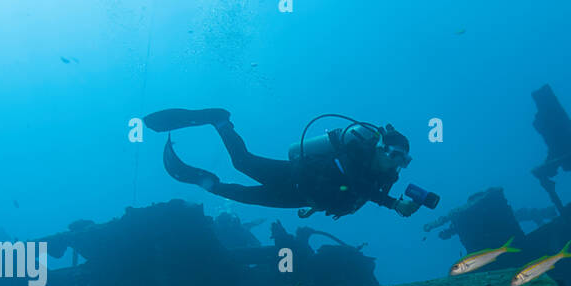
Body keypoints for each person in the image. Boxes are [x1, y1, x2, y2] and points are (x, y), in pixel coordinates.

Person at [143, 108, 421, 219]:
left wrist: (394, 200)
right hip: (292, 176)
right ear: (381, 148)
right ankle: (220, 121)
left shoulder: (385, 180)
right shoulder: (357, 152)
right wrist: (393, 204)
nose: (397, 164)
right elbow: (353, 182)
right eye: (395, 155)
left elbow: (356, 195)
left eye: (404, 160)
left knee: (235, 193)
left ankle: (196, 177)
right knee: (243, 162)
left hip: (299, 197)